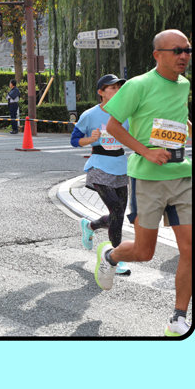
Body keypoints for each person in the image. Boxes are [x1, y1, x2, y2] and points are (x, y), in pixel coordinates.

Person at [95, 29, 193, 337]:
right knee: (144, 252)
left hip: (182, 175)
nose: (184, 56)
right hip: (147, 178)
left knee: (191, 249)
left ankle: (179, 317)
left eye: (188, 50)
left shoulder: (185, 85)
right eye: (176, 50)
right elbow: (113, 125)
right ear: (158, 55)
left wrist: (189, 130)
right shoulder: (138, 85)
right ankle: (110, 256)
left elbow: (176, 117)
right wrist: (146, 151)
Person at [73, 74, 130, 275]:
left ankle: (89, 226)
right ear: (101, 92)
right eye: (111, 88)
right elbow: (74, 140)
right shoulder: (90, 115)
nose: (116, 91)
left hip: (121, 166)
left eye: (118, 87)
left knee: (119, 213)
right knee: (116, 208)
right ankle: (116, 256)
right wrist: (90, 139)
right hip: (98, 166)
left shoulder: (127, 113)